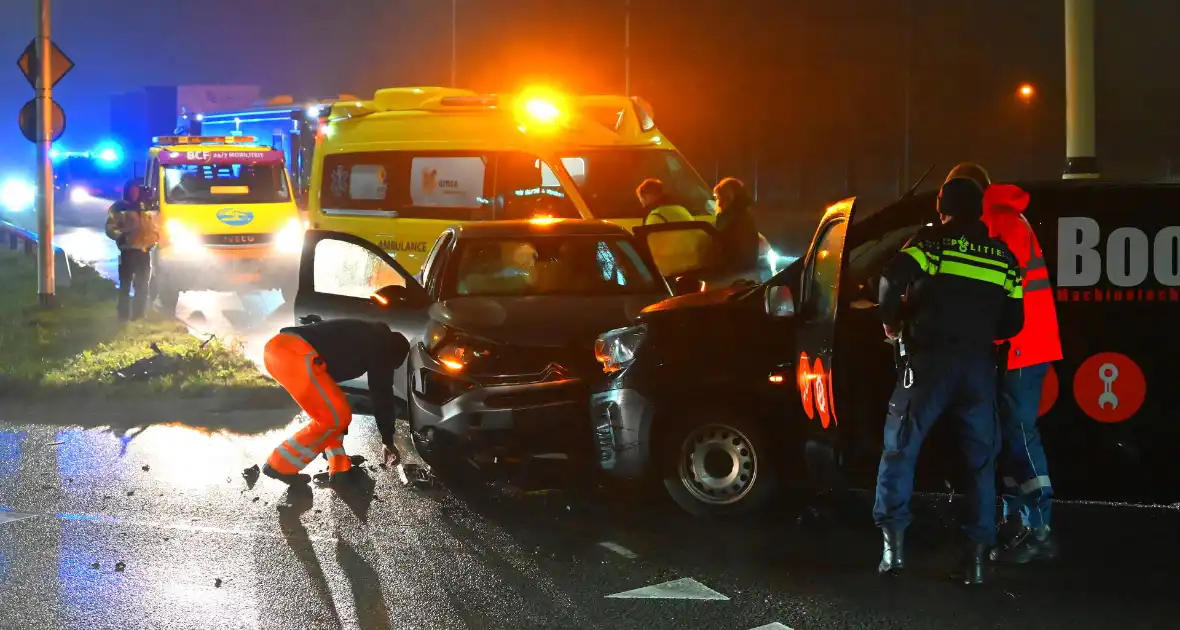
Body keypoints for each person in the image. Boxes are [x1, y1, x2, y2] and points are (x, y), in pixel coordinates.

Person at [873, 177, 1025, 585]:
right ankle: (975, 562)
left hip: (928, 364)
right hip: (978, 368)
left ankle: (894, 551)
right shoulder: (1003, 257)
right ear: (979, 210)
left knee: (901, 448)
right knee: (980, 463)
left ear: (942, 207)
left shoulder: (932, 243)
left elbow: (889, 279)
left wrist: (891, 323)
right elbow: (1015, 322)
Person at [945, 163, 1063, 564]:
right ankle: (1017, 522)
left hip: (1022, 345)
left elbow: (988, 287)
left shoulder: (1000, 222)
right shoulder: (1006, 218)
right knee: (1008, 435)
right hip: (1021, 343)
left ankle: (1039, 528)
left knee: (1019, 433)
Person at [261, 319, 410, 485]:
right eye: (391, 366)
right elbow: (381, 392)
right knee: (336, 417)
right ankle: (279, 466)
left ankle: (339, 467)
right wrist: (387, 440)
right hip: (295, 353)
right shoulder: (382, 346)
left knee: (334, 411)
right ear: (392, 353)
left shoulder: (368, 335)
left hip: (280, 351)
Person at [104, 181, 159, 321]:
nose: (135, 194)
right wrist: (123, 236)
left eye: (137, 191)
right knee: (125, 286)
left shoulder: (143, 208)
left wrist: (155, 237)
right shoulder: (119, 208)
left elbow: (151, 227)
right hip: (128, 253)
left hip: (144, 253)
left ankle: (138, 316)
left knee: (142, 287)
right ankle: (123, 316)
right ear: (127, 191)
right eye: (132, 191)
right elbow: (110, 229)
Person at [712, 177, 761, 273]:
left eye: (719, 198)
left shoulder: (729, 215)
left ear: (728, 197)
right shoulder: (746, 213)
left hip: (731, 270)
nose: (719, 204)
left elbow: (715, 239)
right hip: (749, 266)